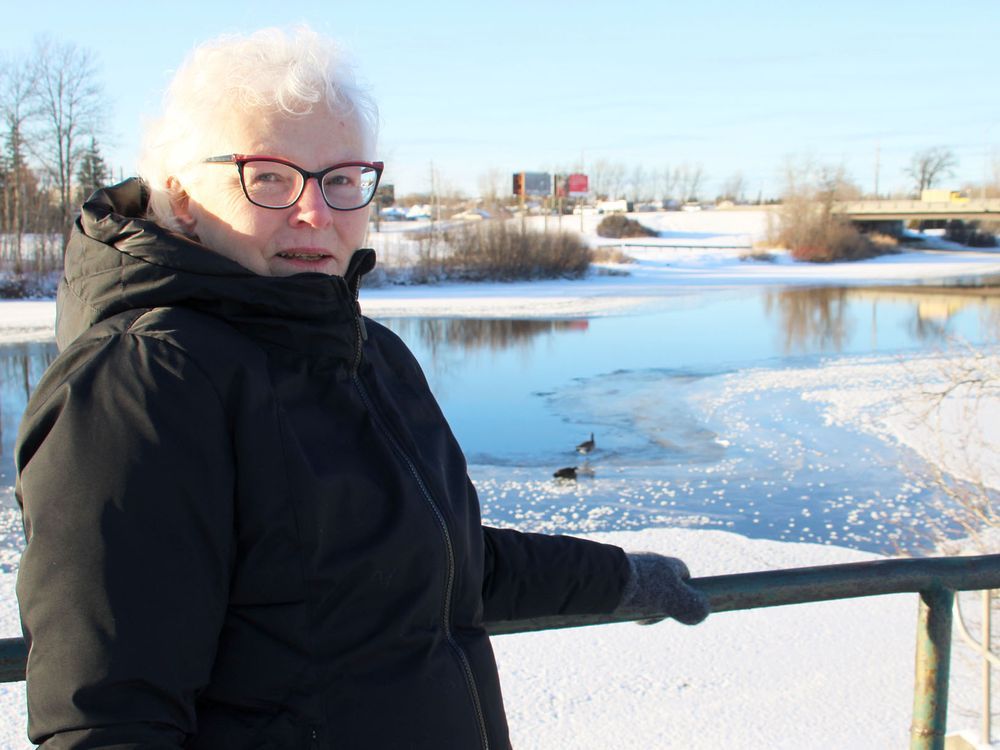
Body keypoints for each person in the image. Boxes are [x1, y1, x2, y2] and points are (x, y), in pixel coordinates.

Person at [15, 26, 709, 749]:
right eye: (270, 176)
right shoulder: (141, 383)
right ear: (182, 198)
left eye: (342, 178)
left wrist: (619, 578)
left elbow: (437, 563)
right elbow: (108, 719)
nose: (316, 212)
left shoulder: (368, 354)